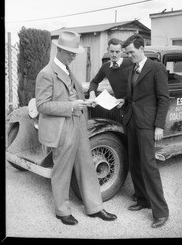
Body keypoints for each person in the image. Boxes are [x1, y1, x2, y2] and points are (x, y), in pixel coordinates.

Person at [35, 30, 117, 225]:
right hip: (63, 127)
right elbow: (42, 105)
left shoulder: (67, 69)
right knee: (62, 170)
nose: (74, 56)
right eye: (71, 53)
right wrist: (71, 106)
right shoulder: (46, 74)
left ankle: (95, 207)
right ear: (60, 50)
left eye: (75, 53)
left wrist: (88, 101)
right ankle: (61, 211)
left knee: (86, 166)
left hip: (79, 123)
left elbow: (73, 94)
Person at [117, 34, 170, 228]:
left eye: (131, 52)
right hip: (132, 121)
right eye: (127, 52)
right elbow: (134, 96)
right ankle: (142, 199)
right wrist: (125, 100)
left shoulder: (157, 69)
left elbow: (164, 99)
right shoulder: (132, 68)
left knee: (149, 166)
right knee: (135, 162)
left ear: (142, 48)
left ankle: (161, 212)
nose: (129, 55)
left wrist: (159, 126)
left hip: (148, 124)